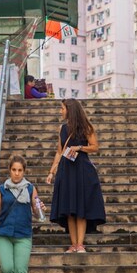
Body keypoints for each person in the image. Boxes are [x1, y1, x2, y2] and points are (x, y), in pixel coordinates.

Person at [46, 99, 106, 253]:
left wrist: (79, 147)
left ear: (70, 110)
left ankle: (80, 244)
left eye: (62, 108)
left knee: (81, 208)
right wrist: (52, 172)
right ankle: (73, 244)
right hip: (66, 171)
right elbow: (60, 152)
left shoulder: (86, 127)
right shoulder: (63, 128)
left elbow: (95, 147)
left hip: (82, 171)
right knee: (69, 209)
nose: (61, 111)